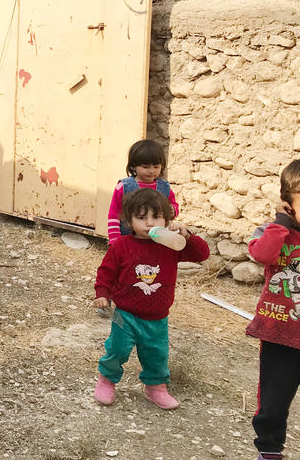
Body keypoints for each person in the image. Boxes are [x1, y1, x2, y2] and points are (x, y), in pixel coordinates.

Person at [92, 188, 209, 409]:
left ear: (166, 219)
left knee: (157, 354)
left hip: (157, 317)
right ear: (129, 221)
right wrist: (102, 293)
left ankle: (156, 388)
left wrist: (187, 235)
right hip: (124, 314)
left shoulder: (170, 244)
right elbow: (106, 272)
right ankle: (107, 379)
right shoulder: (121, 246)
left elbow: (202, 254)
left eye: (156, 217)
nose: (149, 223)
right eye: (141, 217)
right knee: (117, 350)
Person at [246, 160, 300, 460]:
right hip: (280, 335)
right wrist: (281, 224)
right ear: (287, 203)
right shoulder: (274, 232)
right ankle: (268, 451)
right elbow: (262, 254)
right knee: (273, 402)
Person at [107, 139, 179, 243]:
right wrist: (114, 240)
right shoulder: (124, 187)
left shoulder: (165, 188)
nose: (151, 171)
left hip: (157, 240)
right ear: (133, 166)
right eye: (146, 167)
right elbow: (113, 214)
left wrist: (172, 210)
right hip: (128, 240)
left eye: (156, 167)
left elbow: (173, 208)